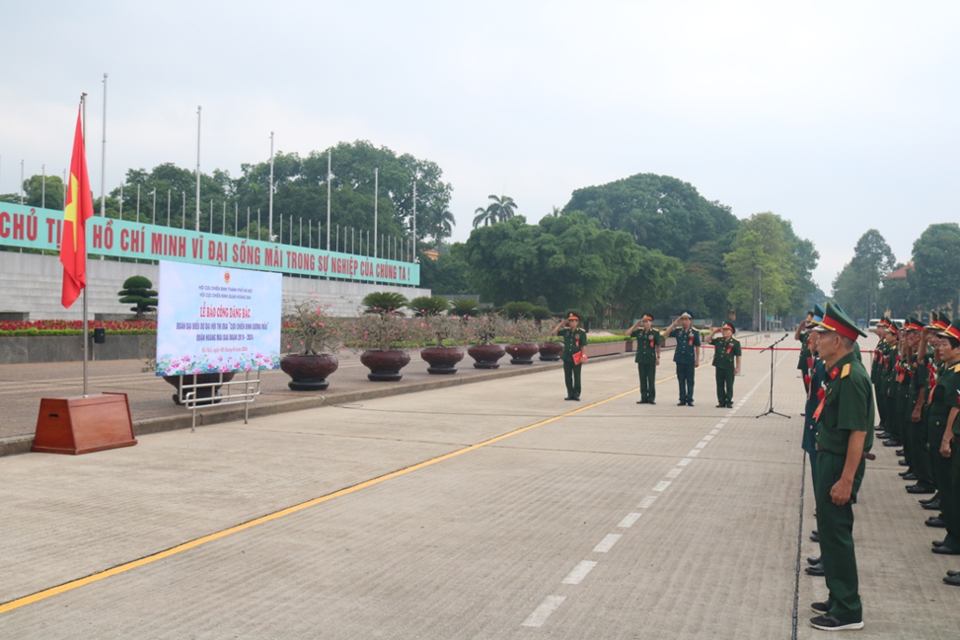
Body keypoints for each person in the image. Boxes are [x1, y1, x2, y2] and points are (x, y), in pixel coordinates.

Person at [808, 302, 874, 631]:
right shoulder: (839, 372)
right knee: (831, 534)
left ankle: (848, 609)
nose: (815, 340)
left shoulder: (851, 377)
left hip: (839, 464)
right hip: (830, 458)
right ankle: (838, 596)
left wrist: (846, 481)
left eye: (821, 335)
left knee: (837, 536)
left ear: (837, 341)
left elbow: (858, 434)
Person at [663, 311, 700, 406]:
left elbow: (697, 346)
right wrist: (674, 324)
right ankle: (682, 398)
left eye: (686, 320)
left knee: (690, 380)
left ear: (690, 321)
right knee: (681, 379)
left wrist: (697, 360)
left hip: (690, 359)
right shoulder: (678, 331)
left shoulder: (695, 332)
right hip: (680, 358)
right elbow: (665, 334)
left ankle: (690, 398)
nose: (684, 322)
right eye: (683, 319)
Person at [553, 313, 587, 402]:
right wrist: (560, 325)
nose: (571, 323)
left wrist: (583, 356)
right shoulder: (566, 331)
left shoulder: (581, 332)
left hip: (576, 357)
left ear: (577, 322)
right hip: (567, 357)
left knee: (577, 376)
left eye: (573, 321)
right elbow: (554, 333)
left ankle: (576, 394)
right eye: (570, 321)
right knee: (568, 376)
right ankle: (570, 393)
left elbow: (583, 345)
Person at [705, 321, 741, 408]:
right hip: (719, 365)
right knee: (719, 384)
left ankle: (728, 401)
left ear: (731, 332)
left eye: (726, 330)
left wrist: (738, 367)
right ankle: (721, 401)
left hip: (729, 367)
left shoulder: (735, 342)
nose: (724, 332)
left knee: (729, 385)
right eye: (723, 330)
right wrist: (713, 332)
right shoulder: (719, 340)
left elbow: (738, 355)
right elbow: (708, 340)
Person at [628, 314, 660, 404]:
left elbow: (658, 346)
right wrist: (635, 325)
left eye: (647, 322)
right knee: (642, 379)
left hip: (650, 359)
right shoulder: (639, 332)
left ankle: (651, 398)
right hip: (641, 358)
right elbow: (628, 333)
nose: (645, 323)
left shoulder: (655, 332)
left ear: (651, 322)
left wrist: (658, 357)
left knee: (651, 379)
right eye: (644, 322)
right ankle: (644, 397)